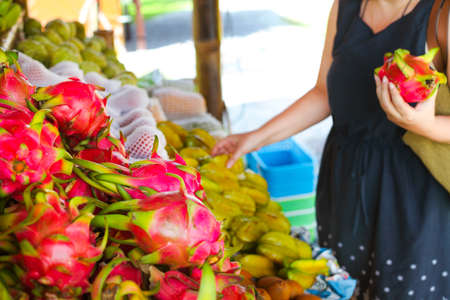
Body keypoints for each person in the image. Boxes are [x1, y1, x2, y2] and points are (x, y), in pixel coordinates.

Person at [212, 0, 450, 298]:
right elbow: (325, 93)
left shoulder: (441, 14)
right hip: (344, 184)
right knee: (343, 287)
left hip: (412, 196)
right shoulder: (346, 6)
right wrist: (256, 137)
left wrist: (424, 125)